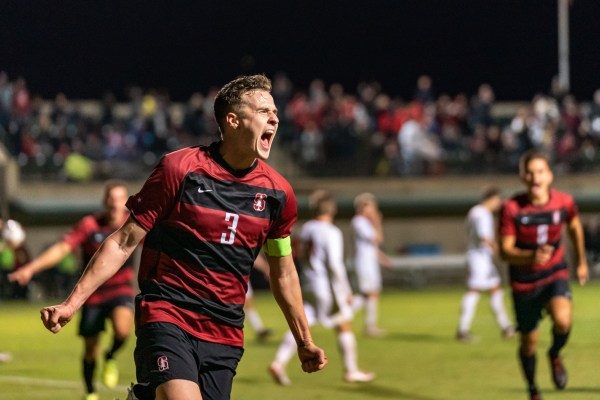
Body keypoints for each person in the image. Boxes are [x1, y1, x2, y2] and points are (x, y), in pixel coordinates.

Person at [37, 74, 327, 400]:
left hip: (225, 331)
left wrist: (304, 341)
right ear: (232, 121)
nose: (274, 117)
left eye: (275, 111)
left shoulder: (279, 195)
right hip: (168, 315)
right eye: (263, 111)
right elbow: (124, 240)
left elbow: (283, 271)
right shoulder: (180, 169)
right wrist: (72, 303)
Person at [9, 180, 135, 400]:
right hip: (92, 294)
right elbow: (62, 249)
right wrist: (30, 269)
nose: (114, 204)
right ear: (104, 201)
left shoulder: (132, 224)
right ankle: (90, 393)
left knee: (123, 330)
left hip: (120, 290)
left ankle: (111, 356)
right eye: (110, 199)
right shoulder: (90, 225)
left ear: (126, 202)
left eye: (119, 199)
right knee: (89, 350)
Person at [499, 150, 588, 400]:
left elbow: (574, 226)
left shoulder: (563, 202)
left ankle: (555, 353)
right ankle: (533, 389)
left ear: (549, 175)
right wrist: (529, 257)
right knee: (528, 343)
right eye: (530, 172)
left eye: (540, 171)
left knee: (563, 321)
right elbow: (505, 251)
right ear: (522, 177)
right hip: (524, 282)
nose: (535, 177)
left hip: (554, 272)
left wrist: (581, 262)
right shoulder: (512, 208)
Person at [269, 190, 374, 385]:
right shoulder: (331, 231)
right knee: (344, 324)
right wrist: (345, 290)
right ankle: (351, 370)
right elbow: (334, 264)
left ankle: (279, 363)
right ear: (332, 210)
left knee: (301, 327)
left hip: (307, 283)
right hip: (325, 287)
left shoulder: (306, 228)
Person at [456, 185, 515, 343]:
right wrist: (499, 251)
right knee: (473, 291)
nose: (499, 204)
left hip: (478, 257)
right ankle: (462, 330)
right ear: (492, 198)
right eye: (498, 200)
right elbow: (485, 237)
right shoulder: (483, 214)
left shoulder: (474, 211)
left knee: (495, 290)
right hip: (479, 259)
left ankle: (506, 327)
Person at [350, 192, 390, 337]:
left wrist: (381, 257)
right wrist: (377, 222)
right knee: (367, 294)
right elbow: (377, 239)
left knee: (372, 294)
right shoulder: (359, 222)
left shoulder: (364, 223)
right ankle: (343, 314)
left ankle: (370, 326)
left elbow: (372, 246)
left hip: (370, 262)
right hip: (364, 263)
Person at [244, 252, 273, 342]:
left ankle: (259, 329)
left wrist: (265, 267)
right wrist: (265, 268)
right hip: (232, 274)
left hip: (241, 273)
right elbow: (252, 254)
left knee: (248, 304)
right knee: (244, 303)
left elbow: (253, 253)